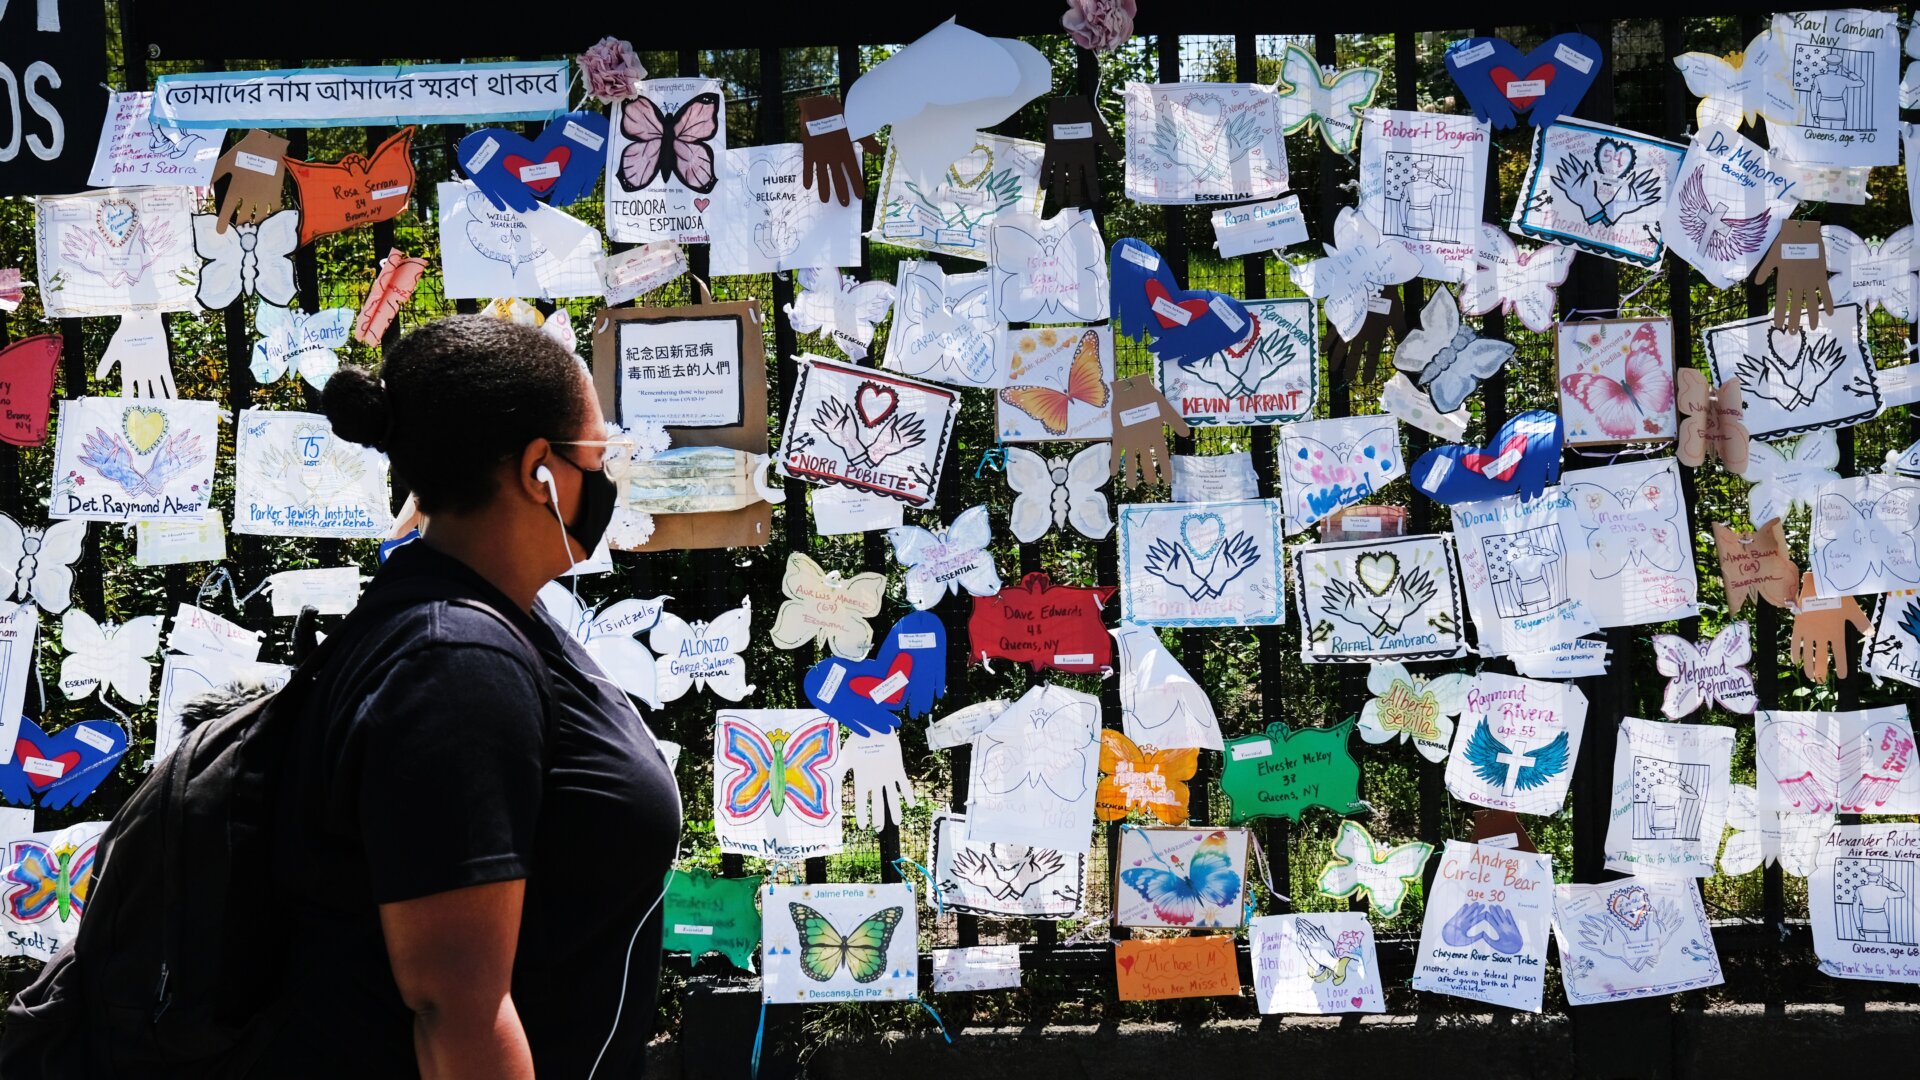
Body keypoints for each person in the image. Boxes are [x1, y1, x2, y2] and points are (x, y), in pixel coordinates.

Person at [251, 316, 681, 1079]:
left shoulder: (482, 616)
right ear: (539, 470)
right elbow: (455, 1008)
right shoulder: (453, 667)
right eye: (597, 453)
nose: (609, 474)